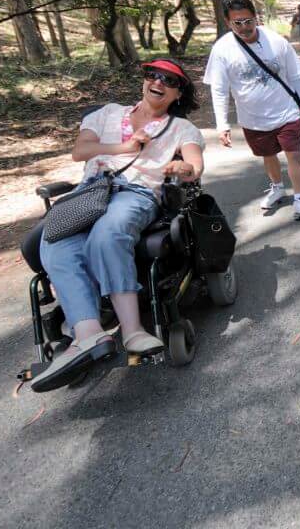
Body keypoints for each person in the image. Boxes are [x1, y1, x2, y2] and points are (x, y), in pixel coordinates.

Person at [31, 59, 205, 392]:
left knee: (107, 234)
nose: (158, 82)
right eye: (152, 75)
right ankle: (87, 334)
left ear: (177, 93)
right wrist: (123, 147)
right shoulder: (107, 113)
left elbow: (194, 165)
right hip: (91, 190)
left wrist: (182, 169)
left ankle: (133, 331)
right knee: (55, 241)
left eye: (169, 80)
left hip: (137, 191)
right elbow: (80, 151)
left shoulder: (182, 129)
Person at [204, 0, 300, 221]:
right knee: (268, 155)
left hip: (286, 112)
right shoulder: (222, 49)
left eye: (248, 21)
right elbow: (219, 89)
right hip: (253, 118)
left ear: (256, 18)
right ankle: (277, 187)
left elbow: (298, 77)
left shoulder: (276, 41)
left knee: (294, 155)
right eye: (237, 23)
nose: (244, 27)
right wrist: (222, 125)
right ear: (228, 23)